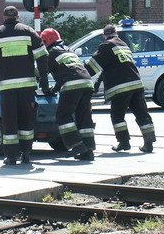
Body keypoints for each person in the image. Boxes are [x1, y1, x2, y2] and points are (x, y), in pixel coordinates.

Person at [0, 6, 50, 165]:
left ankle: (11, 156)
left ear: (4, 17)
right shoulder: (28, 31)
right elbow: (41, 56)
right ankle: (26, 153)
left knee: (9, 121)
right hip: (27, 87)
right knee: (26, 120)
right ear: (18, 17)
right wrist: (44, 76)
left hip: (7, 88)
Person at [85, 24, 156, 153]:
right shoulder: (123, 44)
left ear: (104, 36)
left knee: (117, 115)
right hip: (137, 84)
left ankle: (124, 142)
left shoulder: (106, 46)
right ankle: (149, 142)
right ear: (116, 33)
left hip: (121, 86)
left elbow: (92, 67)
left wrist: (81, 74)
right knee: (142, 113)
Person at [40, 28, 95, 161]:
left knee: (63, 114)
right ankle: (88, 150)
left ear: (46, 41)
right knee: (83, 116)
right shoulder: (69, 50)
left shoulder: (51, 53)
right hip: (87, 83)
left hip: (72, 85)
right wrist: (56, 87)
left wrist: (45, 88)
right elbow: (65, 71)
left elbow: (42, 73)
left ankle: (76, 144)